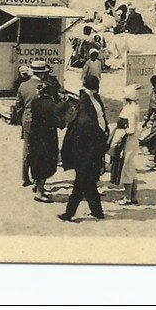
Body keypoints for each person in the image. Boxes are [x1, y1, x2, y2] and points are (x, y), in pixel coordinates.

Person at [58, 75, 108, 222]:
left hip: (91, 149)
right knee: (86, 183)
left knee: (84, 184)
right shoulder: (85, 103)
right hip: (87, 149)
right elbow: (88, 127)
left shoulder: (92, 100)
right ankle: (90, 212)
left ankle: (72, 214)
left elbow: (99, 119)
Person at [28, 83, 63, 203]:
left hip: (36, 137)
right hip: (48, 138)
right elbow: (59, 123)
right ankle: (39, 192)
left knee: (37, 162)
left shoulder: (35, 102)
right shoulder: (51, 105)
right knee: (46, 163)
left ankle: (37, 187)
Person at [110, 84, 141, 205]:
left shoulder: (131, 110)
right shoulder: (131, 107)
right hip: (128, 141)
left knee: (126, 168)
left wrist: (121, 132)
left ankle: (128, 198)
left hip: (128, 141)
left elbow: (132, 129)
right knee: (131, 169)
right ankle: (133, 197)